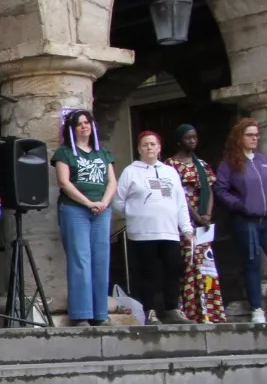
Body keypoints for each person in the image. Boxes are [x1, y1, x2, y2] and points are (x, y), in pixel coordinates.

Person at [214, 118, 267, 323]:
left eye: (256, 135)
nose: (255, 138)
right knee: (252, 263)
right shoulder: (229, 164)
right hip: (246, 221)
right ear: (239, 137)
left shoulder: (263, 160)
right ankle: (256, 309)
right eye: (250, 135)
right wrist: (240, 205)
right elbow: (220, 189)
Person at [114, 131, 194, 324]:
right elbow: (117, 201)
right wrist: (135, 214)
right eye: (145, 144)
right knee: (147, 273)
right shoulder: (130, 171)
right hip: (142, 233)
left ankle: (172, 309)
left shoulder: (170, 172)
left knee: (172, 270)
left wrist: (186, 228)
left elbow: (180, 202)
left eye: (153, 144)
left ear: (159, 148)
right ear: (139, 148)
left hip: (169, 231)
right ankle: (150, 310)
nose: (149, 147)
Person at [52, 108, 117, 327]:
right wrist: (88, 203)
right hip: (75, 209)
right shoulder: (65, 153)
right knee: (81, 260)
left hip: (101, 210)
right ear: (71, 129)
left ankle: (100, 314)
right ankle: (81, 314)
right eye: (79, 123)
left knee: (101, 260)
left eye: (87, 122)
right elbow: (64, 182)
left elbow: (112, 181)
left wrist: (104, 202)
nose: (84, 126)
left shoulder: (103, 153)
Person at [167, 124, 226, 324]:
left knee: (205, 265)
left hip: (203, 222)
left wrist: (207, 214)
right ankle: (190, 311)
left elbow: (209, 191)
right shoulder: (171, 165)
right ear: (178, 141)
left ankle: (209, 311)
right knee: (187, 264)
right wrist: (193, 216)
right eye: (188, 138)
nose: (192, 141)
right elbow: (179, 195)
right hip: (183, 220)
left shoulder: (202, 164)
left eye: (194, 137)